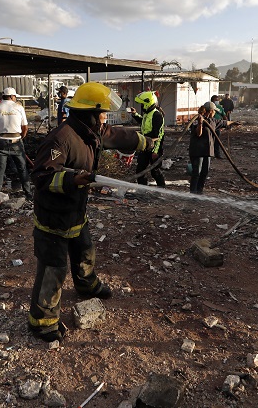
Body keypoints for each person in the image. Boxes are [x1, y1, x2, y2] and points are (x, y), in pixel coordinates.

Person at [27, 82, 155, 343]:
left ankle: (87, 285)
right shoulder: (61, 138)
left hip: (75, 211)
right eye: (102, 113)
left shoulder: (91, 131)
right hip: (53, 217)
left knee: (85, 250)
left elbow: (118, 136)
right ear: (89, 113)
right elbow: (41, 177)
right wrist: (73, 179)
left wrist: (146, 142)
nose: (105, 118)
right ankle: (43, 321)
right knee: (54, 268)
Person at [0, 87, 33, 199]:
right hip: (16, 141)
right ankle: (28, 193)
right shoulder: (19, 107)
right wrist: (20, 137)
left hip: (1, 141)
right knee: (22, 168)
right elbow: (25, 127)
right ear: (12, 96)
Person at [189, 102, 236, 194]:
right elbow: (198, 134)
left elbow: (224, 123)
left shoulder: (213, 121)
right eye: (214, 111)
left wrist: (234, 122)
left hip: (208, 151)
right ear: (210, 111)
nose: (215, 113)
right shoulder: (196, 120)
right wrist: (200, 123)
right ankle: (193, 192)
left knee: (204, 173)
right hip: (198, 151)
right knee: (197, 172)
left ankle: (199, 191)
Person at [128, 90, 166, 188]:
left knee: (155, 171)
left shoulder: (157, 115)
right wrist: (135, 114)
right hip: (145, 145)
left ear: (148, 103)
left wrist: (155, 151)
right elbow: (143, 121)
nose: (141, 106)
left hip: (154, 147)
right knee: (140, 170)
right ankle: (142, 190)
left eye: (142, 104)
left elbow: (159, 135)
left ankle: (162, 189)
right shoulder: (147, 114)